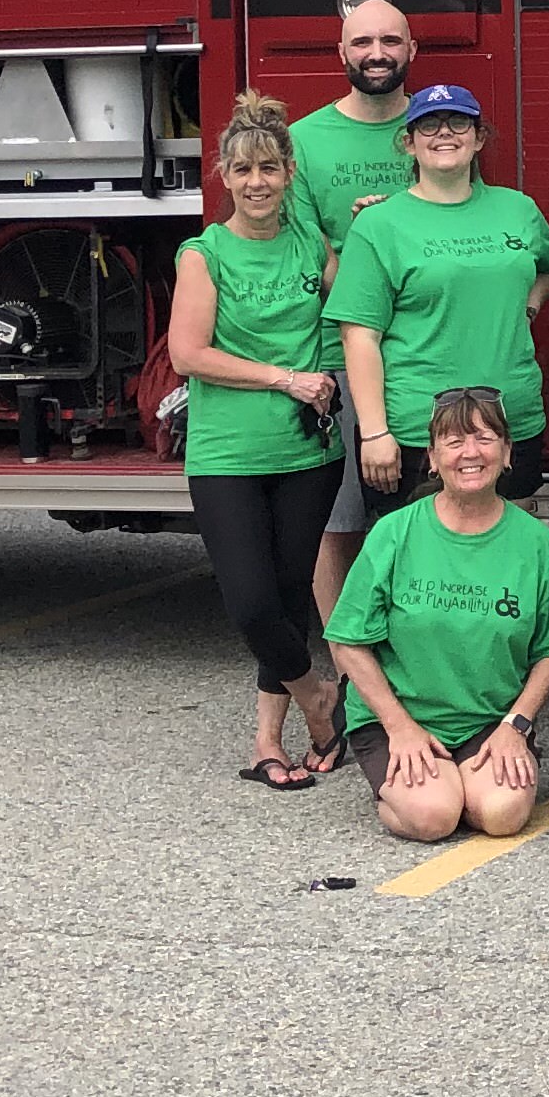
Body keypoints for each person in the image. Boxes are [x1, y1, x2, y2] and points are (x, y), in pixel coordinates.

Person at [169, 89, 352, 786]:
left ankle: (266, 744)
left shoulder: (312, 245)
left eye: (269, 169)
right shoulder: (204, 253)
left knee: (284, 598)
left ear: (288, 174)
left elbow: (359, 310)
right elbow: (189, 353)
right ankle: (320, 699)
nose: (257, 183)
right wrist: (285, 378)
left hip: (308, 453)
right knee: (249, 604)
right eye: (243, 170)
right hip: (228, 456)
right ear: (222, 174)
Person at [324, 387, 549, 844]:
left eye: (484, 439)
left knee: (503, 815)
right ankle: (423, 790)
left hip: (490, 719)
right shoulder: (394, 533)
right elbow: (349, 641)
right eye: (454, 440)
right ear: (432, 456)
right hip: (399, 715)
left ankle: (458, 782)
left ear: (507, 455)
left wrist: (515, 727)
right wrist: (399, 727)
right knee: (433, 817)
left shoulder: (536, 544)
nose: (470, 453)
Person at [328, 83, 549, 506]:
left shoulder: (518, 209)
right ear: (408, 142)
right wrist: (375, 432)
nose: (444, 133)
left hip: (512, 418)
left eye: (458, 122)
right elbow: (359, 335)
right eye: (428, 125)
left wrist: (527, 307)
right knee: (423, 560)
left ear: (478, 138)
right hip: (420, 429)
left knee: (509, 553)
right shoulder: (378, 224)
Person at [292, 0, 421, 631]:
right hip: (337, 355)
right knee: (338, 521)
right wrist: (369, 242)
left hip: (426, 353)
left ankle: (415, 656)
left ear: (412, 49)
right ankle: (349, 665)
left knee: (420, 520)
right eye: (363, 41)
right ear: (340, 50)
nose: (377, 52)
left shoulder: (435, 130)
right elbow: (303, 265)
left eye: (389, 40)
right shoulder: (304, 142)